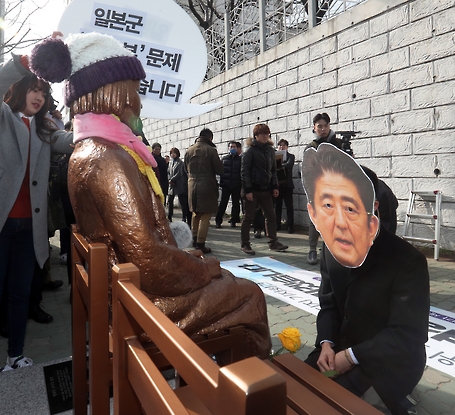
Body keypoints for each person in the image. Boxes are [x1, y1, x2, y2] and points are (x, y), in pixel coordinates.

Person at [29, 32, 273, 360]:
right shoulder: (107, 158)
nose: (139, 102)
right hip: (140, 304)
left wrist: (193, 262)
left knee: (224, 276)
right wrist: (203, 270)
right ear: (114, 90)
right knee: (250, 294)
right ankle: (242, 384)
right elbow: (147, 257)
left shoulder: (91, 149)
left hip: (126, 289)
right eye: (135, 90)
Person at [302, 143, 430, 415]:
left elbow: (408, 334)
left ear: (373, 207)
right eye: (329, 205)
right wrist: (326, 343)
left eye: (350, 206)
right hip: (339, 349)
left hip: (388, 362)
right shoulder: (330, 248)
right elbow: (328, 304)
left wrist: (351, 356)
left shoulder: (407, 261)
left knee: (331, 406)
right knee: (295, 386)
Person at [0, 31, 74, 371]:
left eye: (44, 93)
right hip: (3, 224)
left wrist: (107, 128)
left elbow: (70, 139)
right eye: (34, 89)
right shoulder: (3, 117)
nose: (39, 97)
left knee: (20, 294)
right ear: (19, 89)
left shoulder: (46, 129)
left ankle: (15, 356)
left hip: (30, 227)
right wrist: (30, 61)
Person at [240, 124, 288, 255]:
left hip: (266, 190)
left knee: (271, 216)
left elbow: (273, 170)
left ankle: (273, 242)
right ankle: (245, 244)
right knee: (248, 217)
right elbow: (244, 172)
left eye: (267, 134)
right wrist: (248, 190)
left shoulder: (270, 151)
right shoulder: (249, 151)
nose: (265, 136)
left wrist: (275, 186)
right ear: (256, 136)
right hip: (252, 190)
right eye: (262, 134)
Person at [305, 112, 342, 265]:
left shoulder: (339, 144)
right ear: (314, 127)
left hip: (338, 187)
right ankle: (312, 249)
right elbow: (308, 170)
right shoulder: (312, 147)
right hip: (319, 189)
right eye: (319, 126)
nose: (323, 129)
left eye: (326, 126)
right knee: (316, 219)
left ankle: (333, 249)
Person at [184, 128, 224, 254]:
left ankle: (194, 239)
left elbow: (185, 169)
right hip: (207, 185)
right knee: (206, 215)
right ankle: (201, 244)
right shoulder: (211, 150)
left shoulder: (189, 150)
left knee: (195, 213)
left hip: (191, 184)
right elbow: (219, 169)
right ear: (210, 138)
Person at [215, 141, 241, 228]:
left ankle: (233, 220)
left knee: (235, 204)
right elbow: (220, 171)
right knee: (223, 203)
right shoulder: (224, 159)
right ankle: (218, 221)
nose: (233, 148)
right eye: (231, 147)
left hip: (236, 185)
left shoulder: (240, 160)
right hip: (226, 185)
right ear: (228, 148)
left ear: (237, 148)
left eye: (234, 147)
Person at [274, 139, 295, 234]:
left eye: (283, 145)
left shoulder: (291, 156)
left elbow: (289, 165)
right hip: (278, 185)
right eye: (280, 145)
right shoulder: (274, 156)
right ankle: (277, 225)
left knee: (289, 207)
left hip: (287, 186)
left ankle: (290, 226)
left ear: (287, 147)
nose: (281, 147)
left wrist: (280, 165)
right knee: (277, 206)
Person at [167, 147, 191, 226]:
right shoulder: (170, 162)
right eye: (171, 153)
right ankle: (169, 216)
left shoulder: (180, 163)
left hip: (179, 184)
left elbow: (179, 173)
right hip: (171, 185)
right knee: (170, 201)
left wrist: (172, 180)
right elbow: (168, 172)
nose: (173, 155)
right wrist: (169, 179)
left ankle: (184, 217)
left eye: (174, 153)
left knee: (182, 202)